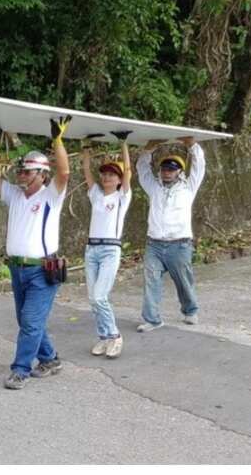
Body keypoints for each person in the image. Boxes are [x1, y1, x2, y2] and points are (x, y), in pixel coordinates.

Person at [0, 117, 71, 390]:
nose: (20, 175)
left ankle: (20, 370)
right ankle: (50, 359)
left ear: (41, 174)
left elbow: (64, 174)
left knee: (30, 321)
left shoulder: (50, 196)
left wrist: (58, 141)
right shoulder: (15, 196)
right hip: (17, 268)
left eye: (26, 172)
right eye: (20, 171)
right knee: (27, 320)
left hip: (42, 270)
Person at [136, 136, 205, 332]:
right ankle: (152, 319)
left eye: (172, 169)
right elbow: (142, 169)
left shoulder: (188, 187)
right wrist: (148, 150)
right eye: (165, 169)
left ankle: (190, 310)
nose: (167, 172)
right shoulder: (153, 187)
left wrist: (192, 145)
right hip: (155, 244)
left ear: (179, 172)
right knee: (151, 279)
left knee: (183, 280)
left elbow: (199, 165)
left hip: (180, 244)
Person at [81, 132, 133, 358]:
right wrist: (85, 150)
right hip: (91, 249)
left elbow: (129, 171)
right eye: (105, 174)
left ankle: (114, 335)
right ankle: (104, 337)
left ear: (119, 180)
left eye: (112, 175)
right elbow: (86, 171)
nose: (107, 178)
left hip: (110, 249)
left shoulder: (122, 197)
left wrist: (123, 143)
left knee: (100, 296)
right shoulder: (96, 195)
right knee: (93, 299)